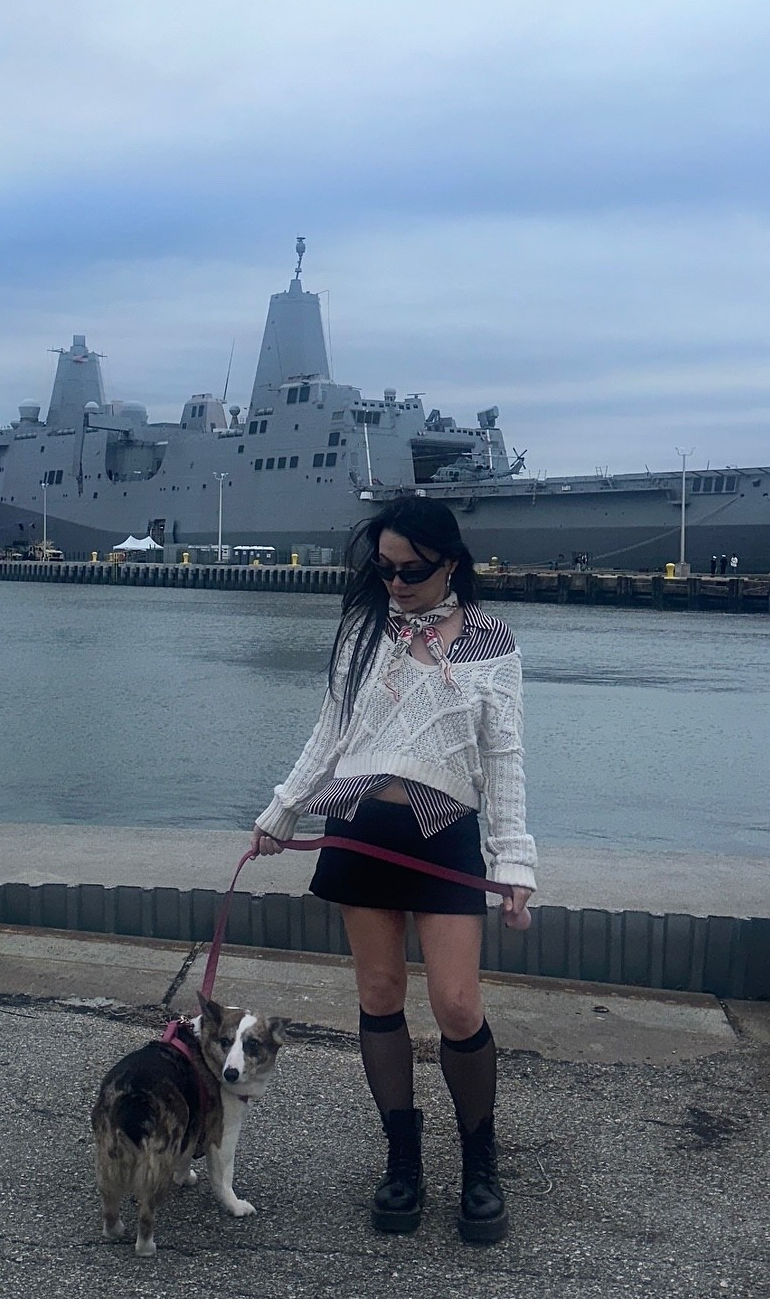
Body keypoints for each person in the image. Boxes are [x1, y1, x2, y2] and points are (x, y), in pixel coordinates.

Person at [250, 496, 536, 1243]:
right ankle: (401, 1163)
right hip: (359, 827)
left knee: (457, 1004)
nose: (396, 583)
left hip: (445, 831)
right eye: (384, 569)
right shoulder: (362, 628)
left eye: (412, 571)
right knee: (379, 993)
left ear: (451, 563)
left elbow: (503, 757)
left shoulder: (491, 641)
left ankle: (480, 1164)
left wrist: (514, 861)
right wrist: (281, 813)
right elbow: (330, 733)